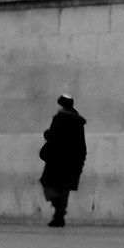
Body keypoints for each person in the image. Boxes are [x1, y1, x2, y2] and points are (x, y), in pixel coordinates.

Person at [40, 94, 86, 226]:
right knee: (64, 188)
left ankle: (58, 208)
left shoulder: (60, 118)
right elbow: (81, 143)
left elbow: (53, 135)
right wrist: (81, 159)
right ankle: (59, 216)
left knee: (47, 183)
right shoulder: (78, 121)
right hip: (73, 160)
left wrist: (47, 134)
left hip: (57, 158)